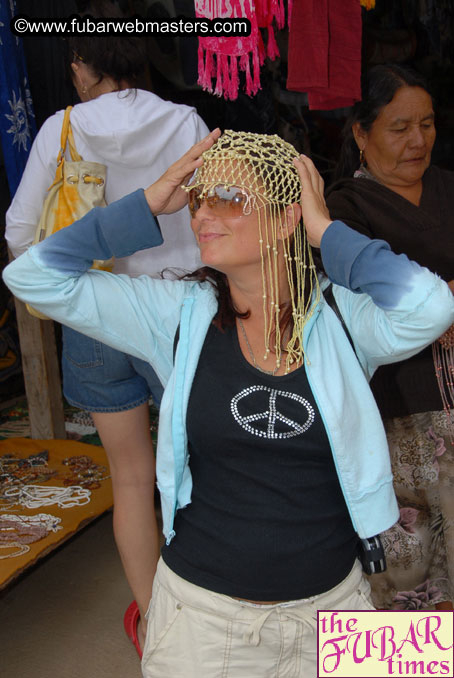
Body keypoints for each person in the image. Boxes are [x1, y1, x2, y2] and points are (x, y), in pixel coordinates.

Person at [4, 128, 454, 678]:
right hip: (205, 623)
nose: (200, 216)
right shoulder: (178, 313)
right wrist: (146, 203)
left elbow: (430, 306)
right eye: (198, 199)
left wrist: (325, 230)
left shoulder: (344, 318)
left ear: (288, 218)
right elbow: (29, 275)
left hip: (335, 608)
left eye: (228, 198)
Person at [5, 0, 208, 652]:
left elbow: (18, 237)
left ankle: (157, 622)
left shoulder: (61, 129)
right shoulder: (185, 123)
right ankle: (213, 608)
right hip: (181, 311)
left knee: (130, 478)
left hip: (96, 315)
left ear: (80, 65)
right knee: (199, 472)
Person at [325, 63, 454, 611]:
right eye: (399, 127)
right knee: (407, 561)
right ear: (361, 132)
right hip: (398, 409)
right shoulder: (344, 211)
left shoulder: (448, 186)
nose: (418, 140)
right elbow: (357, 305)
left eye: (426, 124)